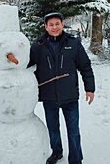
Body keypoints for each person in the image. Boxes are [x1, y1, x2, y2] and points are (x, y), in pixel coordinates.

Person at [27, 12, 95, 164]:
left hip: (69, 96)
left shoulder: (74, 43)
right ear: (46, 27)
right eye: (51, 25)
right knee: (53, 129)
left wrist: (90, 88)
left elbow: (85, 66)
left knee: (73, 131)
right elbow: (25, 63)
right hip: (49, 97)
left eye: (57, 24)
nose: (54, 27)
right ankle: (57, 152)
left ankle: (76, 159)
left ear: (62, 24)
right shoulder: (39, 45)